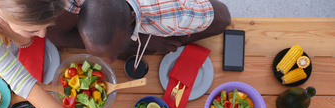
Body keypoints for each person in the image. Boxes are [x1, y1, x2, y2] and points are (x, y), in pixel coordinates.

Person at [47, 0, 231, 63]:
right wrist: (141, 39)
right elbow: (55, 35)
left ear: (132, 19)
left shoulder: (175, 16)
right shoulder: (70, 2)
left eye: (115, 52)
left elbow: (223, 17)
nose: (108, 62)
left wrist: (176, 39)